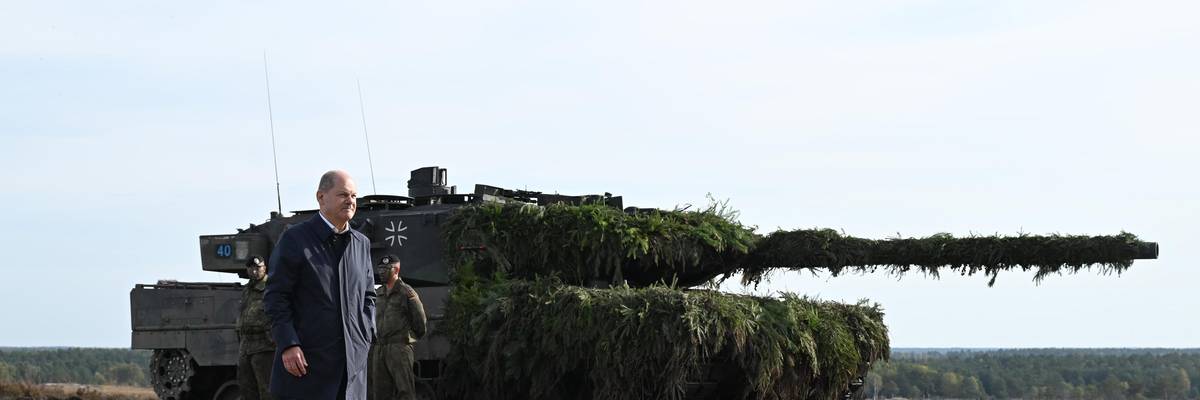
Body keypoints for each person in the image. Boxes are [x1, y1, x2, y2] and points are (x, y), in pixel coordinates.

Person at [264, 170, 377, 400]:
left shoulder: (361, 244)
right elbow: (276, 296)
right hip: (307, 367)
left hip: (351, 371)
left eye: (354, 196)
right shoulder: (295, 239)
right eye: (343, 194)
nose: (350, 201)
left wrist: (365, 336)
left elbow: (368, 296)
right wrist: (288, 344)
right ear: (321, 197)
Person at [369, 255, 427, 400]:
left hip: (399, 348)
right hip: (380, 348)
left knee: (405, 391)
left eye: (386, 269)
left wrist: (407, 340)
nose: (381, 272)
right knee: (379, 393)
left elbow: (420, 322)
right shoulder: (378, 293)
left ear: (396, 270)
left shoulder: (406, 292)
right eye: (380, 268)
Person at [237, 256, 275, 400]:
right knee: (247, 388)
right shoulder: (247, 289)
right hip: (246, 345)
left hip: (264, 345)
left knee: (267, 390)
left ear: (264, 268)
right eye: (251, 268)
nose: (255, 271)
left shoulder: (271, 286)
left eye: (258, 267)